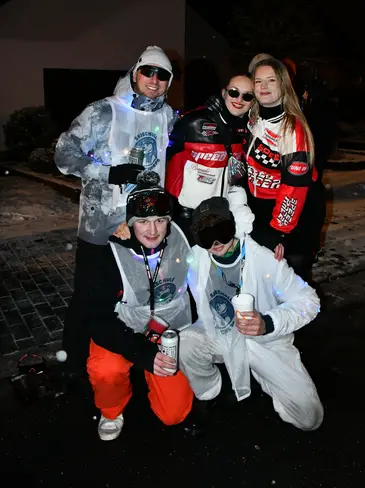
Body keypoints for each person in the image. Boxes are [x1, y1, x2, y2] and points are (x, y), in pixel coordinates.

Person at [54, 45, 176, 370]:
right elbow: (64, 154)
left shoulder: (168, 116)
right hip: (100, 227)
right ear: (135, 73)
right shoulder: (103, 111)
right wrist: (108, 173)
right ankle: (74, 365)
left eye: (163, 74)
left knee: (132, 297)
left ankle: (123, 363)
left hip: (143, 227)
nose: (154, 79)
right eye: (148, 71)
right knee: (87, 299)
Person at [179, 190, 323, 431]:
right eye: (206, 237)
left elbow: (309, 301)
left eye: (221, 232)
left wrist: (269, 322)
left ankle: (262, 377)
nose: (215, 244)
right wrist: (121, 230)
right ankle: (210, 390)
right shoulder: (196, 258)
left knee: (309, 418)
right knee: (185, 343)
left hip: (265, 344)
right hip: (221, 337)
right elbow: (158, 246)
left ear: (233, 226)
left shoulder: (264, 258)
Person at [85, 171, 194, 441]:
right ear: (130, 222)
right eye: (143, 221)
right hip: (124, 329)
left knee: (174, 414)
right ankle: (112, 410)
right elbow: (97, 320)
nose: (153, 231)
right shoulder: (110, 250)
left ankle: (155, 378)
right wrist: (142, 353)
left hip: (168, 333)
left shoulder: (183, 237)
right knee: (105, 369)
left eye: (160, 220)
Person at [245, 56, 322, 282]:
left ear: (284, 84)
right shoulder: (252, 117)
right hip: (263, 206)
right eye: (258, 81)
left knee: (291, 281)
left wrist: (279, 231)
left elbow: (294, 188)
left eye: (271, 80)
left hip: (297, 211)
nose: (264, 86)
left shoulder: (291, 128)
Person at [166, 73, 253, 239]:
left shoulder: (244, 129)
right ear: (224, 92)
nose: (239, 99)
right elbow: (162, 154)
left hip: (218, 216)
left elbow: (236, 174)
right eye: (234, 92)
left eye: (247, 96)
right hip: (185, 216)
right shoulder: (193, 121)